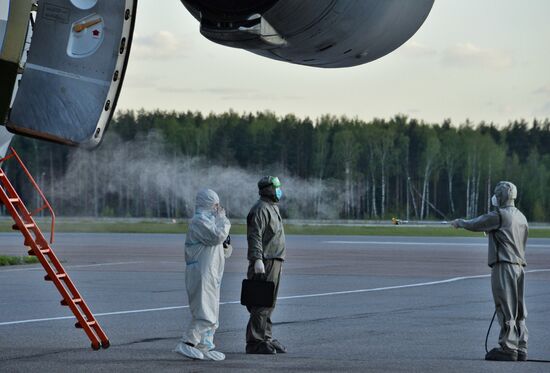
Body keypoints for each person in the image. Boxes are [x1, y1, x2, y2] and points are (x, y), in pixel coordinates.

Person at [451, 181, 528, 362]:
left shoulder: (500, 215)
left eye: (496, 193)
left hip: (504, 266)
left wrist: (460, 222)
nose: (495, 197)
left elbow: (478, 223)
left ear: (501, 196)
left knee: (505, 306)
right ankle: (521, 346)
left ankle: (508, 348)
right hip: (519, 267)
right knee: (519, 309)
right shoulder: (521, 217)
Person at [174, 189, 232, 361]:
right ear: (207, 203)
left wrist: (226, 245)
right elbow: (217, 236)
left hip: (211, 275)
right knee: (205, 312)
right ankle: (187, 342)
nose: (218, 208)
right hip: (201, 273)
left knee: (213, 312)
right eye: (215, 204)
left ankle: (205, 344)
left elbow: (219, 247)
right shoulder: (199, 221)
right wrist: (223, 220)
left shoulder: (210, 221)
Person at [245, 176, 287, 354]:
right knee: (261, 303)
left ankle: (266, 337)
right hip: (265, 261)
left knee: (269, 303)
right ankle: (255, 342)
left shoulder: (272, 208)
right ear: (268, 189)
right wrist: (257, 260)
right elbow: (255, 236)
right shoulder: (260, 209)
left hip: (275, 260)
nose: (279, 190)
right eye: (276, 187)